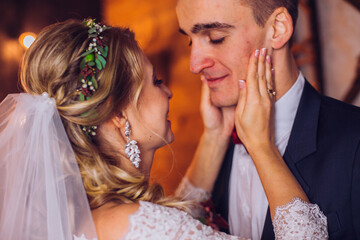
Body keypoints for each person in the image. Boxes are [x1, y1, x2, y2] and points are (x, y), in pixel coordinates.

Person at [0, 19, 327, 240]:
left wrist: (214, 137)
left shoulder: (90, 219)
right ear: (117, 114)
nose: (169, 91)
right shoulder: (142, 225)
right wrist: (262, 147)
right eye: (156, 81)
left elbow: (176, 218)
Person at [176, 0, 360, 239]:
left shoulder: (353, 141)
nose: (194, 64)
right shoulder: (212, 150)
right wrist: (213, 139)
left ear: (278, 28)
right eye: (190, 40)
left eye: (216, 37)